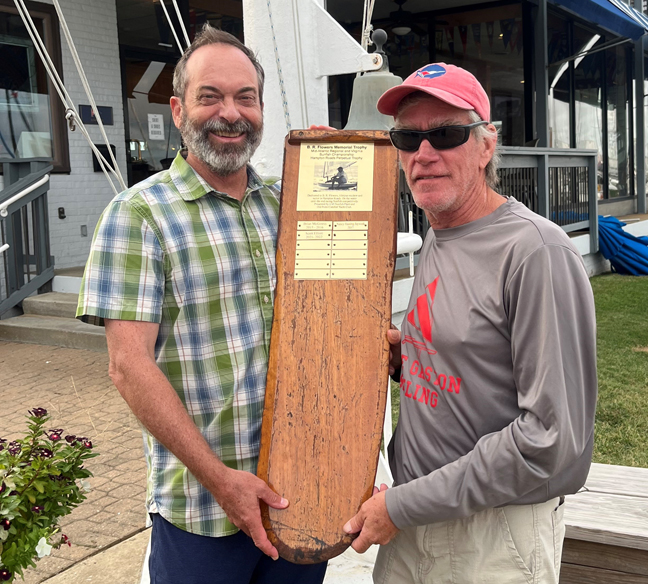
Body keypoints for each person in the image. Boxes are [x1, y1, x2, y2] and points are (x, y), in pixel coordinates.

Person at [76, 25, 327, 584]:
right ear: (177, 108)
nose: (230, 113)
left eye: (245, 97)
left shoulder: (287, 208)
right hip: (202, 511)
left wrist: (342, 162)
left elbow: (329, 317)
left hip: (297, 495)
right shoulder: (139, 215)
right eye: (209, 96)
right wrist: (222, 480)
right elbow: (128, 366)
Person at [343, 63, 598, 583]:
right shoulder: (440, 231)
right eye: (408, 137)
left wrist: (403, 506)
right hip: (413, 522)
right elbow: (473, 355)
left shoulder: (536, 253)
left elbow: (552, 444)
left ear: (486, 145)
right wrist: (408, 357)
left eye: (447, 134)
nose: (424, 153)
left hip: (490, 538)